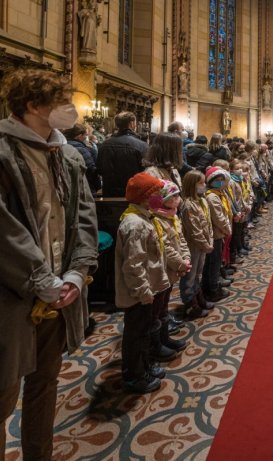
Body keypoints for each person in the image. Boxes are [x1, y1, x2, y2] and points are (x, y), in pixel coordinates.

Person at [0, 68, 99, 460]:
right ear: (29, 106)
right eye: (57, 102)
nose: (68, 109)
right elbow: (4, 231)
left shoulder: (67, 154)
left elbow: (85, 216)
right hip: (14, 295)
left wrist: (78, 271)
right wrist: (43, 280)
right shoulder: (4, 150)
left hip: (61, 289)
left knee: (45, 384)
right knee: (4, 391)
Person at [115, 172, 169, 393]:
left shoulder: (143, 217)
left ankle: (145, 366)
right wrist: (143, 291)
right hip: (139, 292)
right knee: (136, 334)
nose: (160, 196)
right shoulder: (135, 224)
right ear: (146, 196)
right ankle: (134, 375)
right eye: (157, 192)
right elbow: (134, 265)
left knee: (145, 329)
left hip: (148, 287)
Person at [148, 181, 190, 361]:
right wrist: (180, 263)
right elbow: (165, 247)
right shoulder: (156, 219)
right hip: (163, 270)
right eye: (173, 196)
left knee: (164, 307)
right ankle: (156, 345)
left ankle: (165, 339)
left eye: (178, 195)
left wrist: (186, 257)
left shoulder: (172, 215)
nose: (177, 199)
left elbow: (181, 238)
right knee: (156, 310)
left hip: (173, 269)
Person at [179, 170, 214, 319]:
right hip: (194, 244)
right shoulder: (188, 205)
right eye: (201, 183)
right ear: (192, 185)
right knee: (190, 275)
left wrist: (209, 240)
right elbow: (194, 229)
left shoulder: (202, 200)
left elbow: (207, 222)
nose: (204, 185)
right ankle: (190, 304)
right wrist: (205, 243)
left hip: (203, 243)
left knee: (198, 273)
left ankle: (198, 298)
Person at [97, 111, 147, 197]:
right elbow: (146, 172)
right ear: (131, 124)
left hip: (110, 192)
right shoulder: (141, 145)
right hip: (133, 192)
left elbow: (99, 169)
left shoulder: (105, 144)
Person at [202, 167, 233, 302]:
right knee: (213, 263)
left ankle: (214, 284)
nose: (221, 182)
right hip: (216, 234)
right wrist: (227, 229)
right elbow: (218, 217)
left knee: (216, 261)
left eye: (222, 180)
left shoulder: (219, 193)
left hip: (220, 232)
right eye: (217, 180)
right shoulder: (212, 196)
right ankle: (212, 289)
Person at [63, 123, 101, 194]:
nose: (87, 137)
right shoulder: (82, 149)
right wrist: (97, 186)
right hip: (84, 187)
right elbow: (91, 170)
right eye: (86, 135)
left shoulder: (60, 146)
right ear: (79, 136)